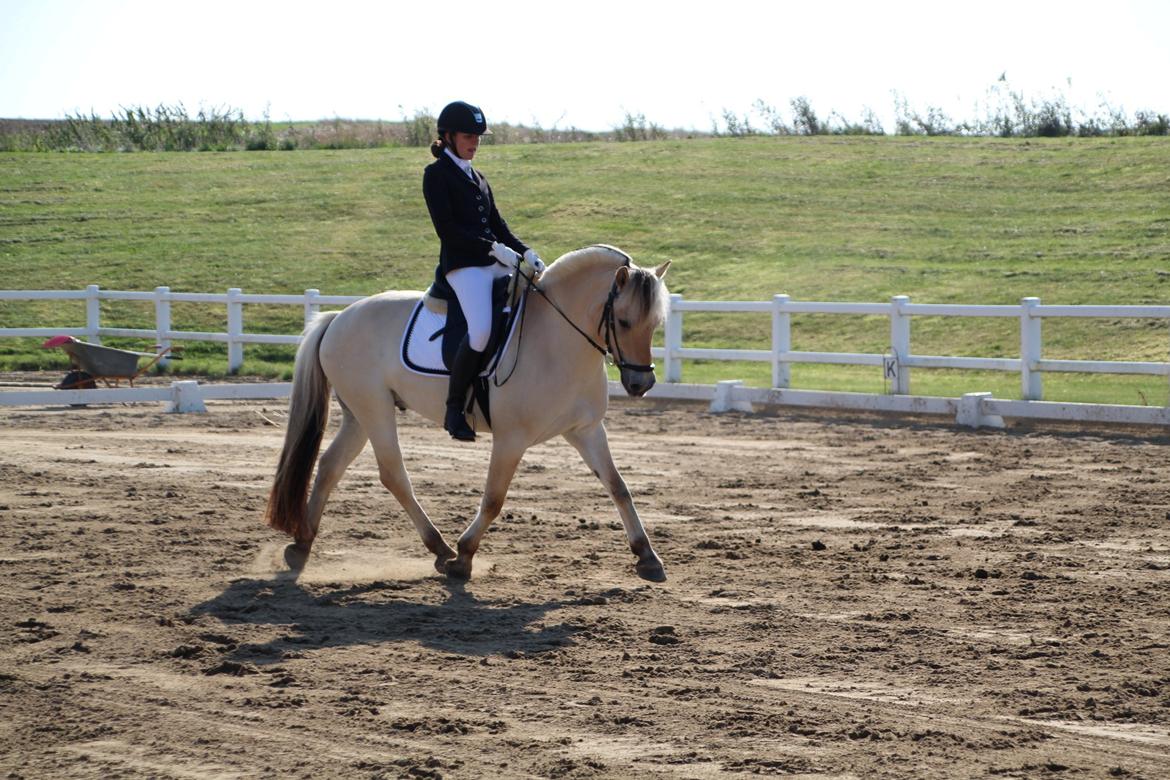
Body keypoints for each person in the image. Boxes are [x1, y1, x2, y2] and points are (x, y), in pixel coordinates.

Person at [423, 100, 545, 442]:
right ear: (447, 137)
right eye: (467, 136)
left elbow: (498, 225)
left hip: (493, 262)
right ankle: (454, 407)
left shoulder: (477, 177)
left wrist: (526, 251)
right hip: (463, 267)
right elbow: (447, 229)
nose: (474, 142)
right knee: (479, 332)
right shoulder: (436, 175)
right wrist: (492, 249)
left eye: (478, 136)